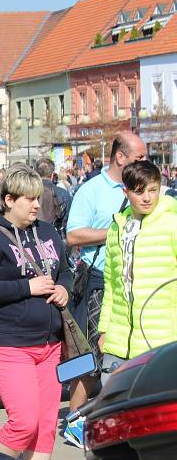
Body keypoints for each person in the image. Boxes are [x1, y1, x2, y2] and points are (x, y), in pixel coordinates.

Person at [0, 163, 72, 460]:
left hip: (50, 345)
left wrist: (65, 288)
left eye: (38, 198)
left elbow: (64, 270)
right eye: (29, 199)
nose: (37, 205)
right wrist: (27, 287)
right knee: (25, 422)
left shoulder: (48, 231)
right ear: (9, 200)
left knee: (45, 424)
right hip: (11, 345)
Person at [63, 131, 147, 447]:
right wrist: (115, 229)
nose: (145, 162)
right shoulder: (92, 190)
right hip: (98, 281)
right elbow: (73, 236)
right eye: (139, 157)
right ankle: (74, 421)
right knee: (91, 356)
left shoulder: (143, 186)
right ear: (120, 157)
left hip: (134, 283)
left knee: (126, 356)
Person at [98, 161, 177, 379]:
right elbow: (112, 284)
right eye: (139, 191)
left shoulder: (172, 223)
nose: (147, 198)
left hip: (162, 339)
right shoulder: (117, 227)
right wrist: (104, 329)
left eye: (153, 190)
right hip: (119, 338)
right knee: (115, 404)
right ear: (126, 192)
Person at [34, 158, 71, 236]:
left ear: (36, 174)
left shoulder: (28, 193)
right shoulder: (63, 193)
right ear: (53, 175)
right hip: (57, 236)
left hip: (34, 236)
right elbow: (67, 220)